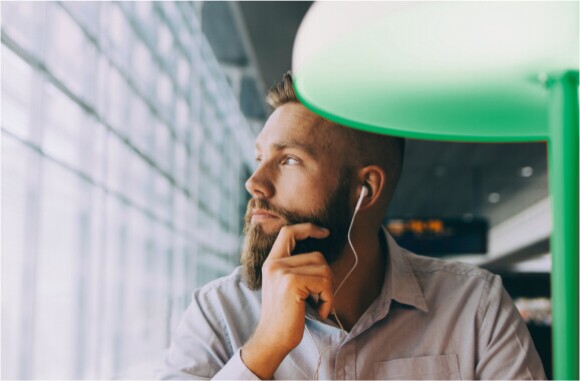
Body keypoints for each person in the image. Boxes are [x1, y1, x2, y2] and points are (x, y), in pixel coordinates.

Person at [160, 72, 546, 380]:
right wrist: (263, 350)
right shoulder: (217, 312)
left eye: (289, 160)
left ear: (365, 189)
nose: (255, 182)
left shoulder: (474, 309)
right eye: (260, 157)